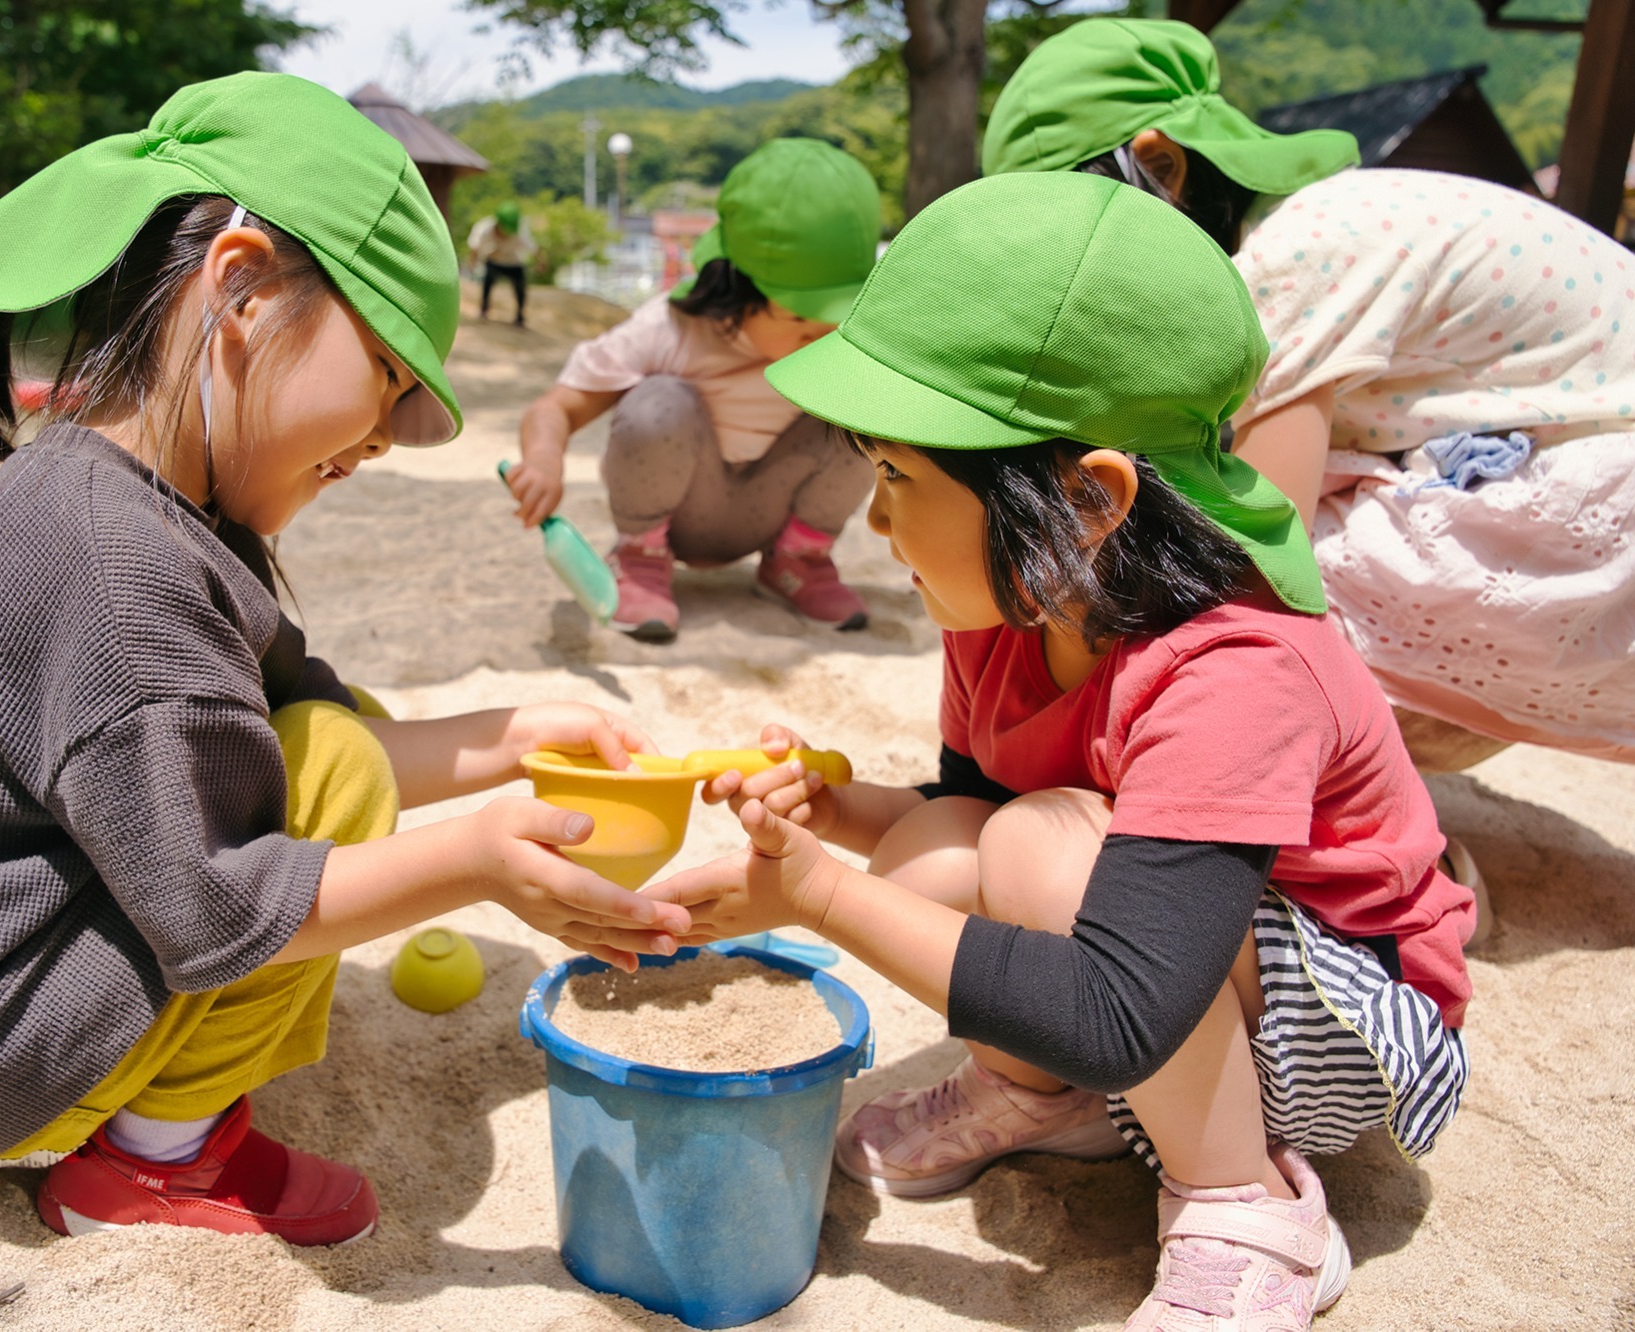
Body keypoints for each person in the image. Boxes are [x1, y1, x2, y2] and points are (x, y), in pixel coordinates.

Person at [0, 73, 691, 1250]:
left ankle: (151, 1108)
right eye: (386, 381)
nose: (375, 441)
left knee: (320, 742)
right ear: (244, 286)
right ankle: (154, 1162)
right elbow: (218, 906)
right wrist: (475, 863)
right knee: (330, 778)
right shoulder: (120, 573)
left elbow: (305, 734)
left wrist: (516, 739)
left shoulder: (148, 501)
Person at [651, 173, 1473, 1331]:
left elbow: (1121, 1003)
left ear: (1086, 503)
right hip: (1167, 958)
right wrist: (832, 819)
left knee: (1033, 850)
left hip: (1344, 1026)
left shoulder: (1235, 667)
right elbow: (966, 814)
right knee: (945, 841)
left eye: (897, 477)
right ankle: (1044, 1099)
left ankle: (1245, 1199)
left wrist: (817, 896)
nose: (873, 522)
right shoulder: (1009, 614)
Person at [982, 17, 1635, 775]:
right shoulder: (1315, 223)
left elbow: (1263, 543)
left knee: (1210, 570)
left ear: (1160, 168)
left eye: (1075, 235)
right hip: (1566, 471)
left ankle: (1333, 829)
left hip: (1603, 501)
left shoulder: (1290, 259)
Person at [504, 137, 882, 642]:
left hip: (773, 512)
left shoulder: (841, 340)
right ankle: (639, 558)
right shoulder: (669, 329)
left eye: (837, 314)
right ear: (739, 286)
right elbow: (556, 407)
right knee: (659, 402)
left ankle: (797, 561)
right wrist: (544, 459)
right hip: (676, 513)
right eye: (798, 317)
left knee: (869, 408)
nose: (820, 334)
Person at [468, 199, 535, 325]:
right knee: (488, 281)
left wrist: (540, 263)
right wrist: (473, 263)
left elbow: (534, 248)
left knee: (520, 287)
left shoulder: (520, 231)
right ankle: (484, 309)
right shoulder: (484, 228)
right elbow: (474, 247)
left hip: (514, 262)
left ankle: (520, 316)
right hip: (494, 260)